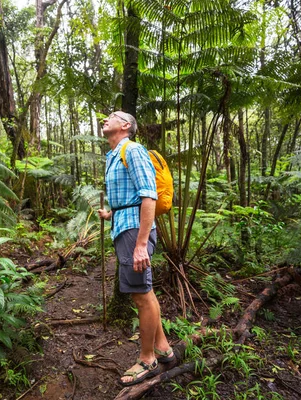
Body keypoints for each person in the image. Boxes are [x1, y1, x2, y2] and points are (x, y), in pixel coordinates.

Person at [98, 111, 175, 386]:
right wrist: (111, 213)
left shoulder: (133, 150)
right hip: (124, 225)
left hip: (135, 232)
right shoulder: (114, 154)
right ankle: (163, 349)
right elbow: (131, 197)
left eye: (111, 117)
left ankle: (147, 359)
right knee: (144, 291)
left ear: (126, 125)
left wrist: (141, 244)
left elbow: (148, 195)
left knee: (140, 295)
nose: (105, 120)